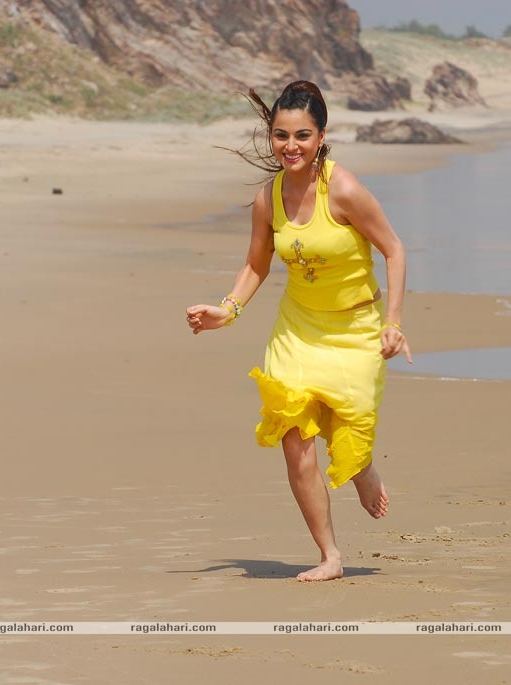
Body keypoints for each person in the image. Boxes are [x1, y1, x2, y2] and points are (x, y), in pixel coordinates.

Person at [185, 80, 412, 582]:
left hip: (355, 329)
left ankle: (360, 465)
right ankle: (330, 555)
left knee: (348, 432)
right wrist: (226, 311)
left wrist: (393, 323)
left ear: (321, 136)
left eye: (302, 136)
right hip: (298, 328)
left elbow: (394, 250)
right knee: (294, 435)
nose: (291, 146)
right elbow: (256, 264)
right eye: (281, 135)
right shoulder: (268, 199)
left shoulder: (343, 189)